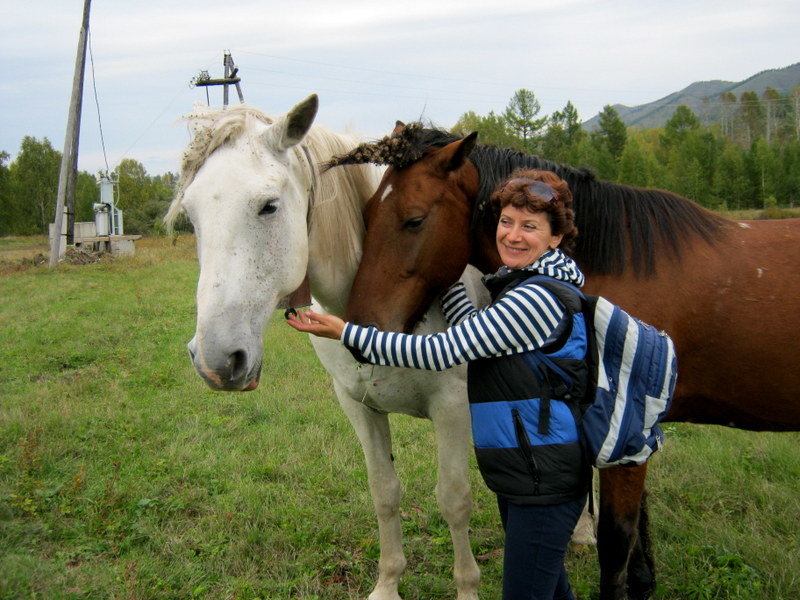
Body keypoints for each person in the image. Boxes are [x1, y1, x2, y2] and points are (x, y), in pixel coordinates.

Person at [287, 169, 590, 600]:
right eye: (507, 222)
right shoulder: (523, 283)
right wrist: (438, 270)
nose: (513, 236)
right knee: (551, 588)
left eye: (530, 226)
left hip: (546, 473)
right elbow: (477, 328)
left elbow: (446, 350)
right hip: (525, 468)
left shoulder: (537, 297)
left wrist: (347, 333)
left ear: (556, 237)